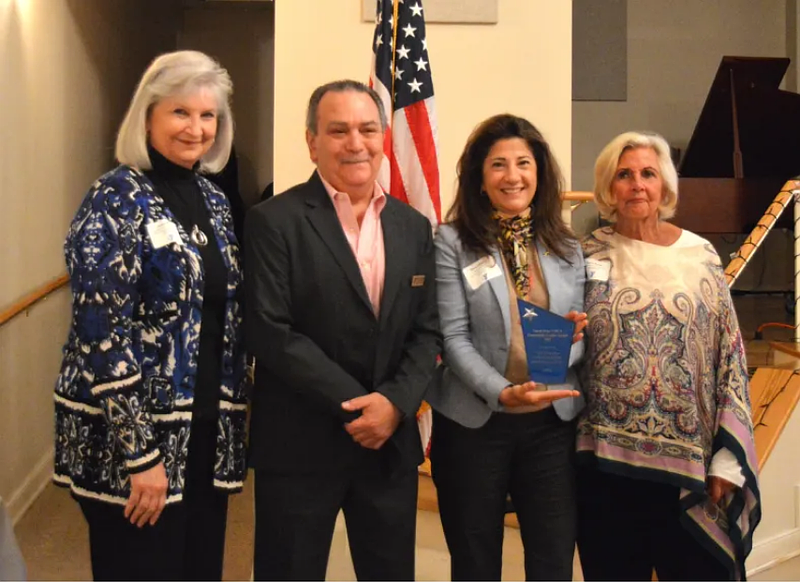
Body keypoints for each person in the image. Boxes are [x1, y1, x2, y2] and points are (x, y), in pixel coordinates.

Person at [53, 50, 248, 581]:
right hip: (132, 445)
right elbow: (102, 338)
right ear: (146, 117)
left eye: (208, 115)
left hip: (203, 434)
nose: (196, 128)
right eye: (180, 112)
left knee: (198, 568)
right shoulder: (112, 199)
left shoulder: (213, 199)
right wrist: (141, 455)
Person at [244, 79, 441, 581]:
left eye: (367, 129)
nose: (356, 143)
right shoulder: (272, 221)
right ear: (312, 142)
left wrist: (393, 405)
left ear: (383, 138)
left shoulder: (413, 226)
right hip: (300, 445)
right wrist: (360, 406)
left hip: (388, 444)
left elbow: (427, 331)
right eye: (338, 130)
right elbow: (271, 330)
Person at [577, 131, 761, 581]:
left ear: (664, 186)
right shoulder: (583, 254)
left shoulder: (700, 256)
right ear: (608, 187)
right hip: (604, 465)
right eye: (624, 175)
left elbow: (730, 357)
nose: (637, 184)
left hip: (690, 469)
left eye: (648, 174)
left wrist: (727, 458)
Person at [426, 114, 587, 581]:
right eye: (498, 164)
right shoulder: (452, 242)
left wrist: (569, 343)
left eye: (523, 163)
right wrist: (502, 391)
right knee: (475, 564)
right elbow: (453, 338)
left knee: (553, 561)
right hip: (475, 424)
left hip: (550, 426)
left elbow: (578, 336)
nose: (512, 176)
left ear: (540, 173)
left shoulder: (567, 246)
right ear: (480, 178)